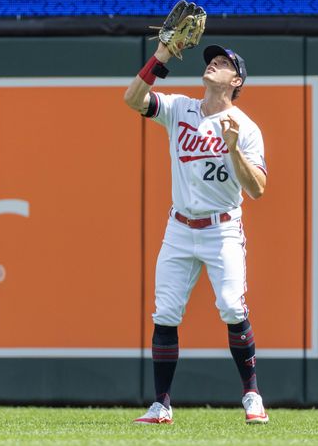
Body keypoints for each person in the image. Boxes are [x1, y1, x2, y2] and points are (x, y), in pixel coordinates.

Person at [123, 40, 269, 424]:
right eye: (211, 60)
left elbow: (256, 189)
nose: (213, 64)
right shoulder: (179, 108)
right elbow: (133, 98)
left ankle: (252, 394)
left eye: (222, 63)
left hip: (222, 229)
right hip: (180, 227)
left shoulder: (246, 129)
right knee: (165, 312)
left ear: (235, 80)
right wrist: (162, 56)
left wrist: (234, 149)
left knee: (232, 306)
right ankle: (161, 404)